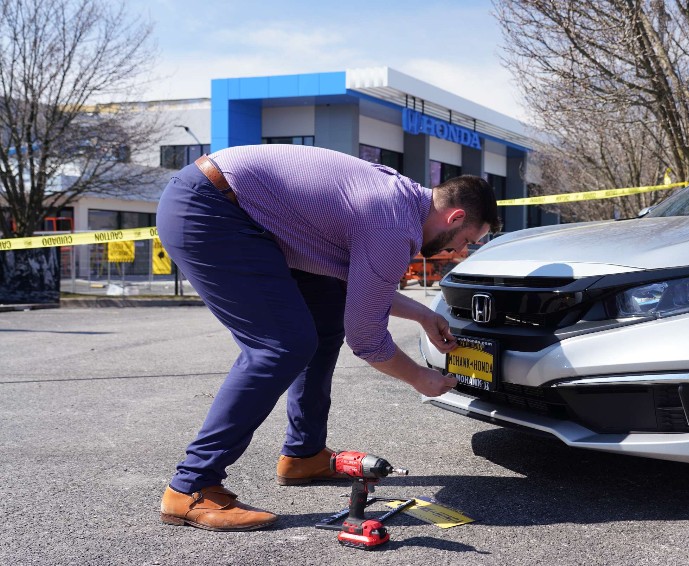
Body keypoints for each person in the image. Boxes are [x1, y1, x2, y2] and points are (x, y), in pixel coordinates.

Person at [154, 144, 498, 531]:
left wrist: (421, 314)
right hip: (213, 209)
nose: (460, 250)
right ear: (455, 216)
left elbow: (366, 285)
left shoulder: (399, 200)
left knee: (325, 317)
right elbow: (367, 338)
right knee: (281, 345)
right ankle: (191, 486)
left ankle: (304, 454)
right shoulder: (394, 225)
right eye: (467, 238)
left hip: (242, 208)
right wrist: (421, 378)